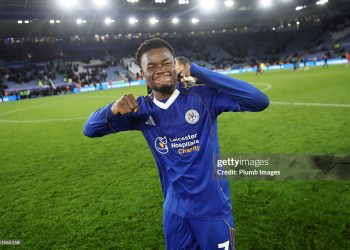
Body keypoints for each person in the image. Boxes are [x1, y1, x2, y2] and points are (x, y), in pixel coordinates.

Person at [83, 38, 269, 250]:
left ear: (175, 65)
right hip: (175, 211)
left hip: (213, 209)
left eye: (165, 63)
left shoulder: (202, 97)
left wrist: (200, 72)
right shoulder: (140, 110)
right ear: (143, 74)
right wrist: (111, 109)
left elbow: (259, 101)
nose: (160, 70)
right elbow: (90, 129)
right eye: (151, 66)